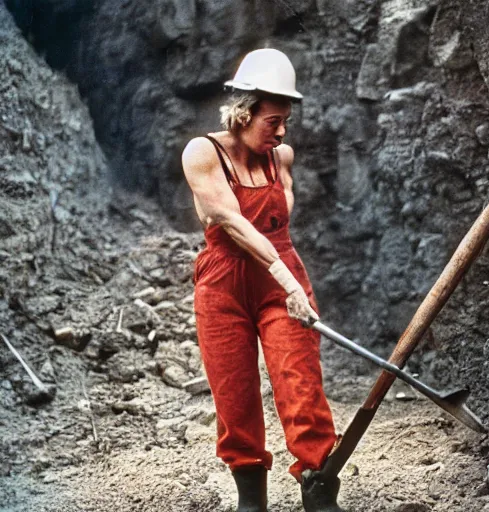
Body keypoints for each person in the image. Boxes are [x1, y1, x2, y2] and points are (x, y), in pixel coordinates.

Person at [181, 48, 344, 512]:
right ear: (242, 112)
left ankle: (318, 488)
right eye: (273, 120)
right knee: (233, 391)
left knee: (300, 383)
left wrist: (287, 281)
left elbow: (275, 227)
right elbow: (232, 223)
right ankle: (251, 498)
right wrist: (284, 279)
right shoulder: (202, 153)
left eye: (285, 120)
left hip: (281, 274)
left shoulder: (282, 157)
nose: (282, 131)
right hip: (224, 279)